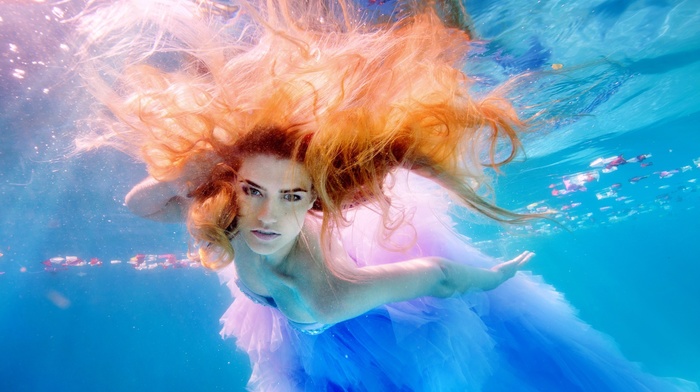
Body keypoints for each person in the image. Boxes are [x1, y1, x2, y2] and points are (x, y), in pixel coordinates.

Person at [76, 0, 698, 390]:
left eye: (292, 197)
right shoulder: (236, 206)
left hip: (369, 324)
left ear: (315, 204)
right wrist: (204, 165)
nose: (267, 215)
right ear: (233, 187)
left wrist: (491, 278)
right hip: (300, 311)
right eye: (254, 191)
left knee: (528, 356)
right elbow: (141, 203)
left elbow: (436, 278)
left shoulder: (319, 294)